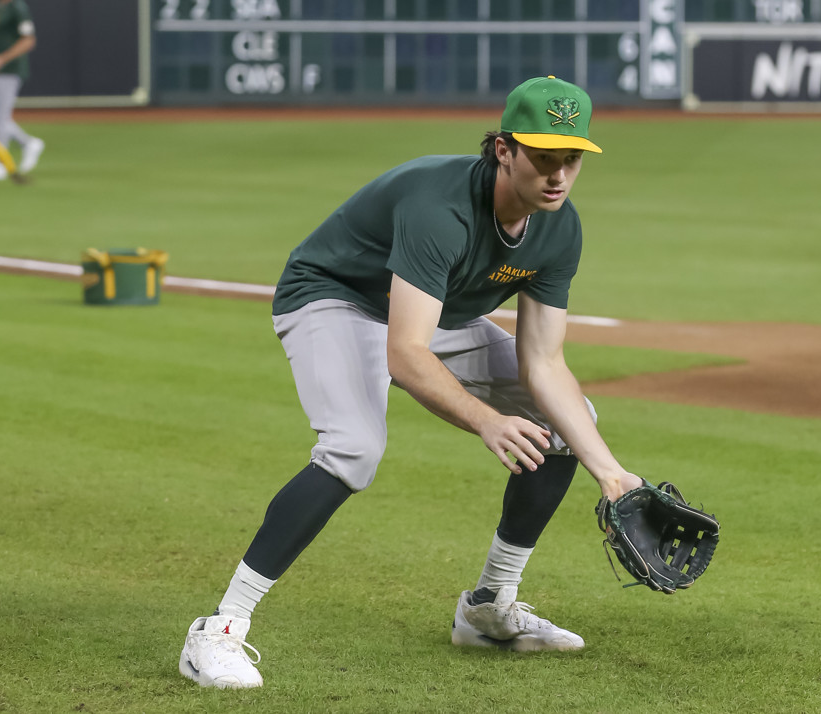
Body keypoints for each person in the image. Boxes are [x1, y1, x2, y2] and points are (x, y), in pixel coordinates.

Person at [179, 75, 645, 690]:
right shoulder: (441, 206)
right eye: (543, 158)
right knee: (354, 450)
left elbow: (544, 363)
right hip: (333, 298)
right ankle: (219, 629)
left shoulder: (559, 227)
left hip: (428, 313)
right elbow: (405, 354)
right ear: (504, 150)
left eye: (572, 159)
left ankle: (488, 610)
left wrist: (610, 474)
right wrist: (485, 419)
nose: (558, 175)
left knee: (568, 419)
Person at [0, 0, 44, 181]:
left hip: (9, 70)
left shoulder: (17, 7)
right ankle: (29, 143)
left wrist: (3, 58)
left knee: (0, 116)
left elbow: (29, 40)